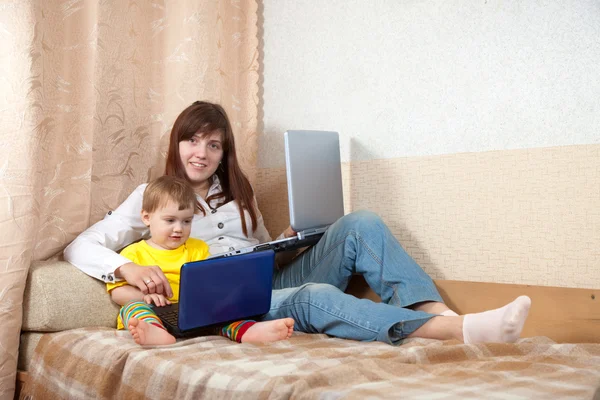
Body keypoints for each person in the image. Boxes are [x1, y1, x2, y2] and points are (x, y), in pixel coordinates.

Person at [65, 100, 532, 345]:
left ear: (224, 152)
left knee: (360, 222)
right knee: (315, 297)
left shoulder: (240, 193)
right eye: (193, 141)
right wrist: (126, 270)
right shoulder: (154, 198)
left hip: (269, 275)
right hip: (230, 302)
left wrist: (285, 241)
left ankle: (439, 312)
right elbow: (79, 247)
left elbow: (259, 247)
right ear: (178, 144)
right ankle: (455, 332)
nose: (201, 154)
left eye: (213, 145)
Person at [108, 175, 294, 345]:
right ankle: (155, 332)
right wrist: (145, 297)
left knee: (225, 310)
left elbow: (209, 284)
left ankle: (249, 330)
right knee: (132, 308)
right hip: (156, 311)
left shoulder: (198, 248)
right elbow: (117, 292)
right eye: (170, 220)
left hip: (195, 316)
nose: (179, 228)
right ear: (147, 218)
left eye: (186, 221)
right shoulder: (133, 253)